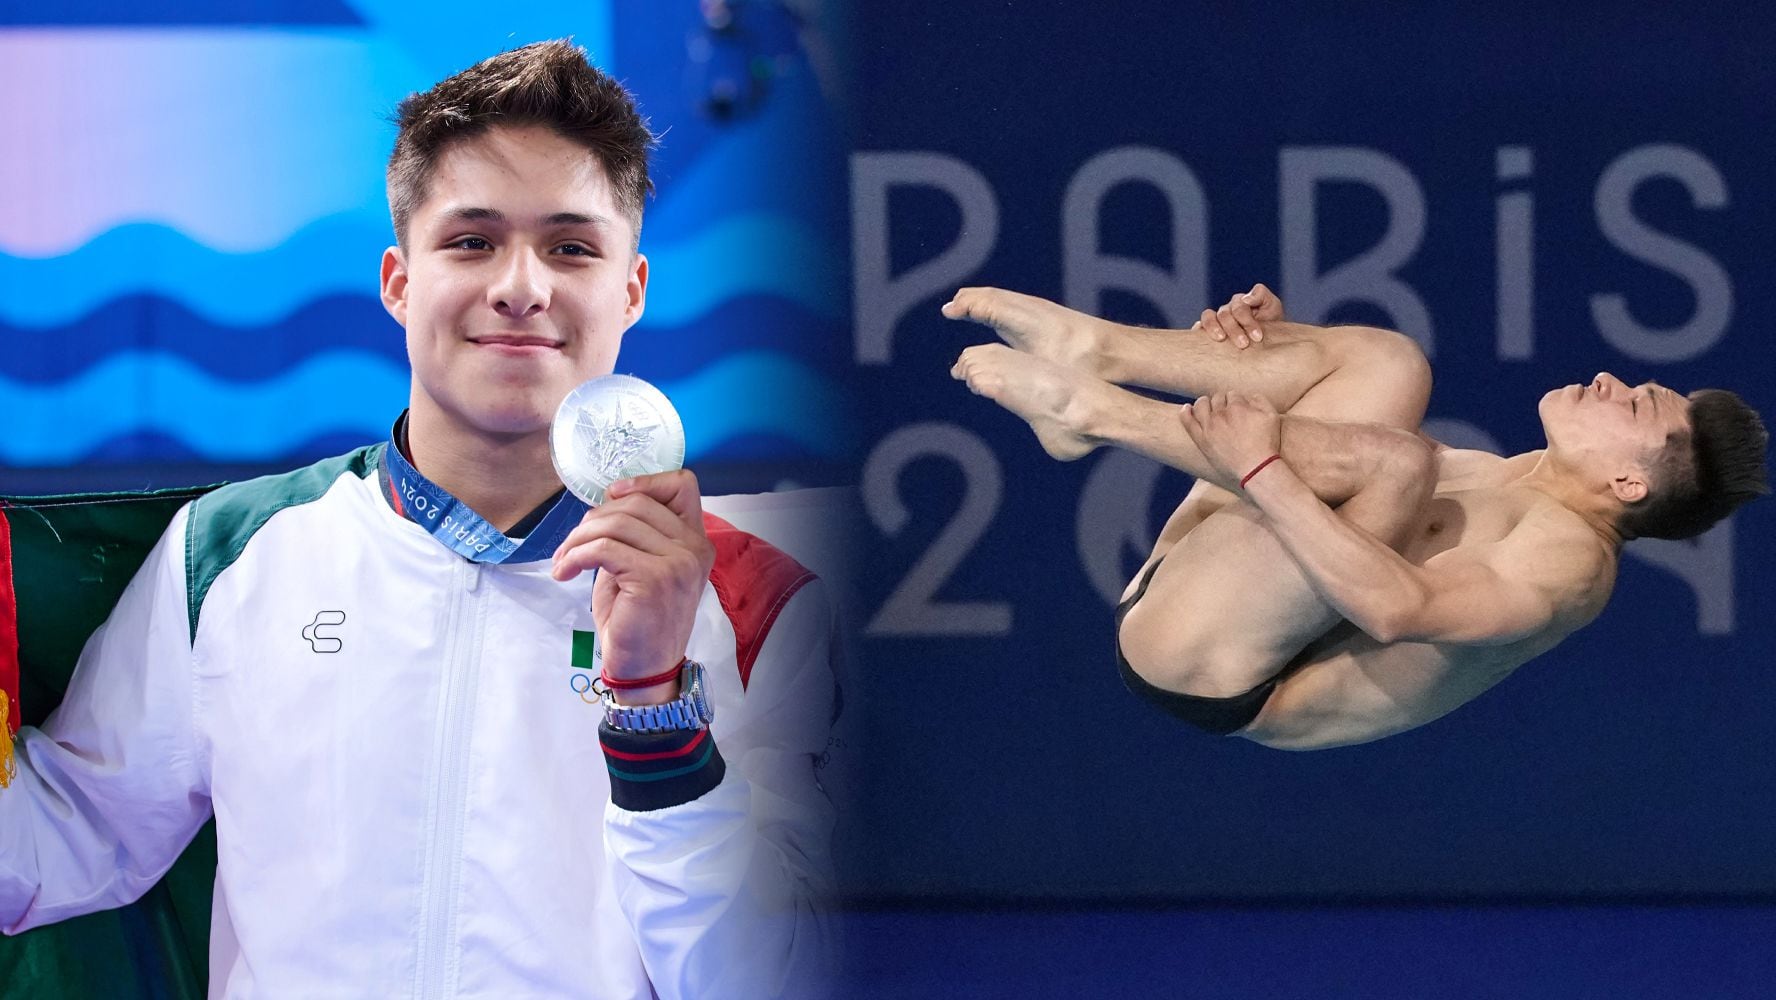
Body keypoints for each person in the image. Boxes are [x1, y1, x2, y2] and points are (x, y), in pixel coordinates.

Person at [0, 40, 837, 997]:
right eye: (472, 240)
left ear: (632, 289)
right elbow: (58, 844)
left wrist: (654, 705)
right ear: (399, 279)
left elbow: (779, 976)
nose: (521, 286)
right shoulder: (228, 557)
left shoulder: (754, 601)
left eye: (571, 246)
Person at [947, 283, 1767, 750]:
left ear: (1628, 482)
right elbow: (1334, 452)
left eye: (1636, 403)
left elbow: (1394, 607)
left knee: (1397, 461)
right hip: (1202, 582)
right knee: (1388, 362)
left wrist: (1258, 465)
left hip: (1218, 668)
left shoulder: (1571, 565)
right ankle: (1101, 355)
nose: (1607, 379)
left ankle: (1097, 412)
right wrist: (1273, 346)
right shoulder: (1518, 475)